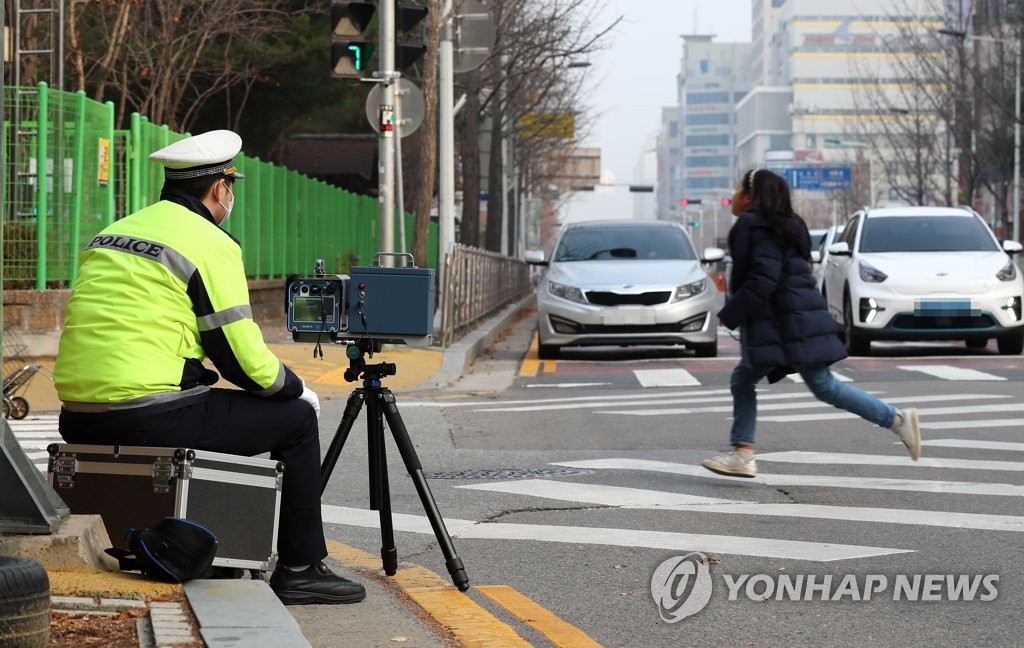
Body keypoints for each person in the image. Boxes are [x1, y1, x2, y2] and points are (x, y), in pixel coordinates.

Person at [53, 130, 365, 605]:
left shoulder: (113, 233)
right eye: (230, 186)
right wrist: (295, 388)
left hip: (76, 415)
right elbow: (240, 359)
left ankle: (212, 541)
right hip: (150, 413)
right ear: (219, 188)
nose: (230, 195)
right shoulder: (209, 241)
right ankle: (300, 568)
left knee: (223, 409)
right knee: (294, 420)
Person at [702, 169, 922, 479]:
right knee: (762, 381)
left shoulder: (755, 225)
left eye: (738, 189)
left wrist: (731, 313)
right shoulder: (787, 225)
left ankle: (897, 419)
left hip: (784, 324)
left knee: (813, 385)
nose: (733, 196)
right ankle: (743, 452)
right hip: (793, 319)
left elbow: (764, 277)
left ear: (751, 196)